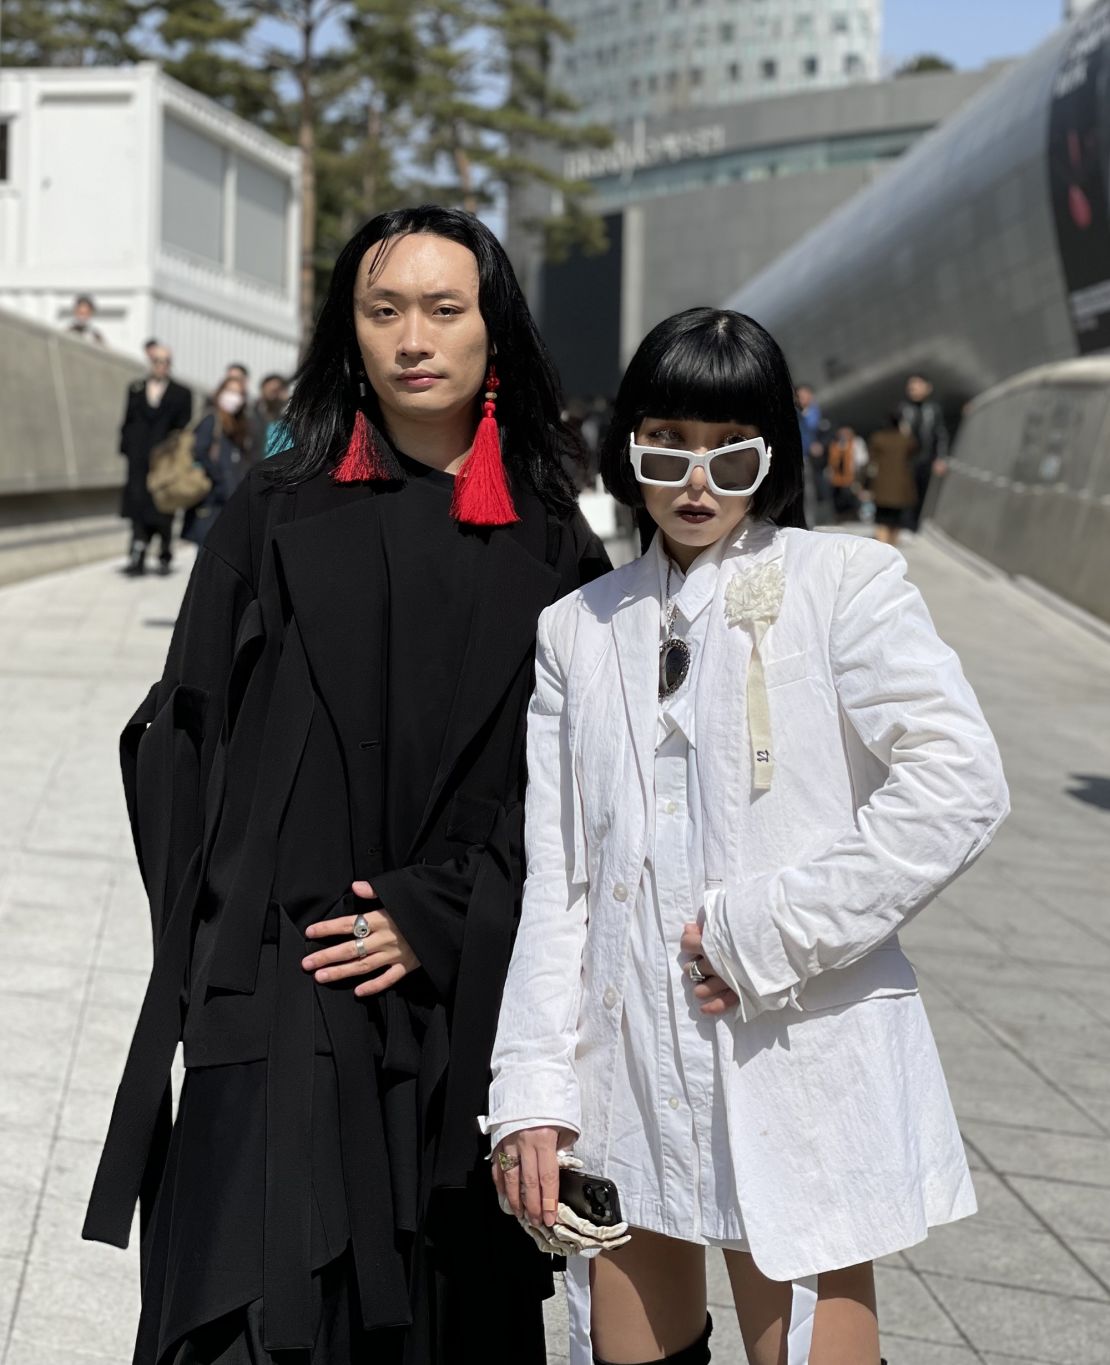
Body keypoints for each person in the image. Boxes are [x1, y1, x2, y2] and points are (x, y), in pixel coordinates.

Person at [83, 205, 610, 1365]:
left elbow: (583, 798)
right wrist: (231, 932)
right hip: (278, 978)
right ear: (349, 332)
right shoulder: (268, 514)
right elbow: (184, 741)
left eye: (443, 308)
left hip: (452, 1002)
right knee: (243, 1308)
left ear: (492, 335)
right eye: (383, 311)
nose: (413, 337)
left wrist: (435, 913)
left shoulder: (558, 549)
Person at [483, 307, 1009, 1365]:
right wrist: (530, 1092)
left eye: (732, 453)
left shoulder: (842, 585)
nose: (695, 480)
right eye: (666, 446)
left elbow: (960, 783)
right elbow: (563, 886)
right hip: (623, 1063)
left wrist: (770, 929)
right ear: (629, 446)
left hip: (790, 1052)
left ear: (775, 454)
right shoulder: (576, 629)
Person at [118, 343, 193, 576]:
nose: (161, 366)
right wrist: (128, 449)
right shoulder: (136, 388)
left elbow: (182, 427)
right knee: (138, 508)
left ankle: (164, 554)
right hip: (139, 460)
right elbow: (127, 421)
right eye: (156, 361)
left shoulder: (181, 392)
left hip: (165, 462)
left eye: (165, 361)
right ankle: (137, 555)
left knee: (163, 506)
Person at [183, 373, 250, 545]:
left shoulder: (237, 425)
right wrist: (219, 480)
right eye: (229, 391)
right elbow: (200, 451)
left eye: (239, 393)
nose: (233, 398)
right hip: (210, 499)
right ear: (219, 393)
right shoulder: (211, 419)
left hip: (227, 499)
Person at [900, 374, 948, 531]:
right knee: (906, 493)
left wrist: (940, 457)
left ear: (927, 388)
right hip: (906, 461)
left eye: (916, 385)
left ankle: (917, 526)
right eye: (910, 386)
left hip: (926, 459)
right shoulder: (903, 409)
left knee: (923, 493)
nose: (912, 389)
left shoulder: (933, 409)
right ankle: (906, 525)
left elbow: (940, 434)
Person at [867, 411, 919, 547]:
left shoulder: (877, 438)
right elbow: (915, 451)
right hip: (900, 487)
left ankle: (882, 545)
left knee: (882, 519)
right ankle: (892, 545)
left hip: (881, 486)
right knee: (896, 520)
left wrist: (866, 484)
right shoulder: (906, 439)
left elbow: (871, 462)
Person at [795, 382, 827, 523]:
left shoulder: (816, 414)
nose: (802, 398)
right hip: (799, 455)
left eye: (805, 395)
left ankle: (809, 520)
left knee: (809, 491)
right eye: (800, 396)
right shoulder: (798, 413)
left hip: (808, 458)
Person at [825, 422, 868, 522]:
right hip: (836, 480)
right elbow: (831, 462)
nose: (844, 435)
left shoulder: (857, 443)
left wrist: (860, 479)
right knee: (838, 500)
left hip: (851, 478)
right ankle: (839, 516)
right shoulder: (835, 444)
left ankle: (852, 516)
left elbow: (862, 461)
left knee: (851, 499)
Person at [252, 371, 291, 459]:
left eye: (277, 391)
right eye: (271, 391)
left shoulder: (293, 417)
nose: (275, 396)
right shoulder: (252, 415)